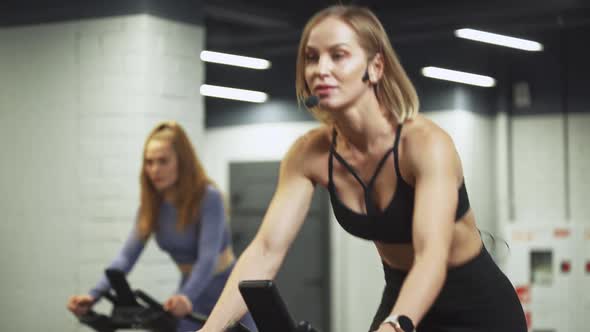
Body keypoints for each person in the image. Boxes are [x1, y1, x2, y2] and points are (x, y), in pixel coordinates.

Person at [197, 5, 527, 332]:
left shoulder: (425, 144)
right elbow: (265, 251)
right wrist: (208, 331)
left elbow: (431, 257)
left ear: (376, 67)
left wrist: (394, 326)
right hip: (401, 293)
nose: (320, 69)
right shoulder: (308, 154)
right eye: (312, 57)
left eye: (338, 55)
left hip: (478, 310)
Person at [66, 121, 256, 332]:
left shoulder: (209, 198)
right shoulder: (151, 206)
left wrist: (186, 296)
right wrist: (94, 295)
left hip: (226, 287)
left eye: (163, 161)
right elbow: (126, 257)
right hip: (188, 291)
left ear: (182, 162)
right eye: (149, 162)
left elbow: (207, 259)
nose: (155, 169)